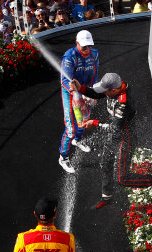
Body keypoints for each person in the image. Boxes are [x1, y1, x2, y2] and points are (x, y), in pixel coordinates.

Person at [75, 72, 152, 208]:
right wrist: (80, 88)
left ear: (114, 90)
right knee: (105, 163)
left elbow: (114, 128)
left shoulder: (124, 103)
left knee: (122, 178)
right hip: (115, 135)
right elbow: (97, 93)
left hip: (125, 138)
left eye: (106, 92)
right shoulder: (115, 87)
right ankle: (107, 198)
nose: (104, 94)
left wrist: (94, 123)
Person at [58, 29, 98, 173]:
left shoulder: (95, 54)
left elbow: (94, 74)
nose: (87, 49)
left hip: (85, 91)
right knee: (71, 128)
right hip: (70, 94)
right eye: (84, 46)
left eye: (89, 46)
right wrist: (75, 93)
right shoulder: (69, 57)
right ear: (77, 43)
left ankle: (78, 139)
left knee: (84, 120)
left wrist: (92, 93)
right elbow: (65, 80)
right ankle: (63, 157)